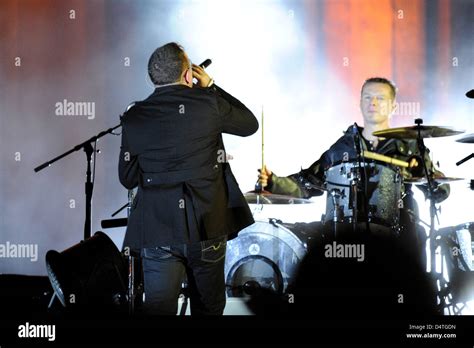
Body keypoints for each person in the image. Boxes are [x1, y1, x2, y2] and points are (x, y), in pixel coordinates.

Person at [252, 77, 448, 318]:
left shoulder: (408, 147)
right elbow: (307, 184)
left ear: (393, 106)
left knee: (415, 239)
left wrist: (425, 175)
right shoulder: (342, 147)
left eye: (380, 98)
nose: (373, 103)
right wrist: (273, 182)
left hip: (397, 237)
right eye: (368, 97)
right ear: (360, 102)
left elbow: (439, 188)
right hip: (343, 235)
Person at [118, 42, 258, 315]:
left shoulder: (134, 116)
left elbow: (127, 177)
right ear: (187, 75)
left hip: (158, 231)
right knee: (208, 308)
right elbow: (248, 124)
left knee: (158, 310)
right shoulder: (209, 103)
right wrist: (210, 87)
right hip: (207, 226)